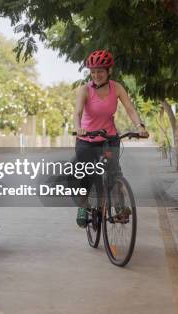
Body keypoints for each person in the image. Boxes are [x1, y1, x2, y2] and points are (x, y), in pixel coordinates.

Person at [73, 49, 149, 227]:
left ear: (108, 71)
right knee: (87, 174)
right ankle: (83, 206)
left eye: (100, 71)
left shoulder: (117, 88)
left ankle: (119, 207)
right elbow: (77, 113)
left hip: (109, 138)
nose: (96, 75)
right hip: (87, 139)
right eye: (93, 72)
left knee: (114, 172)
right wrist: (79, 129)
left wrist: (140, 126)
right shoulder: (85, 90)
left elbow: (130, 109)